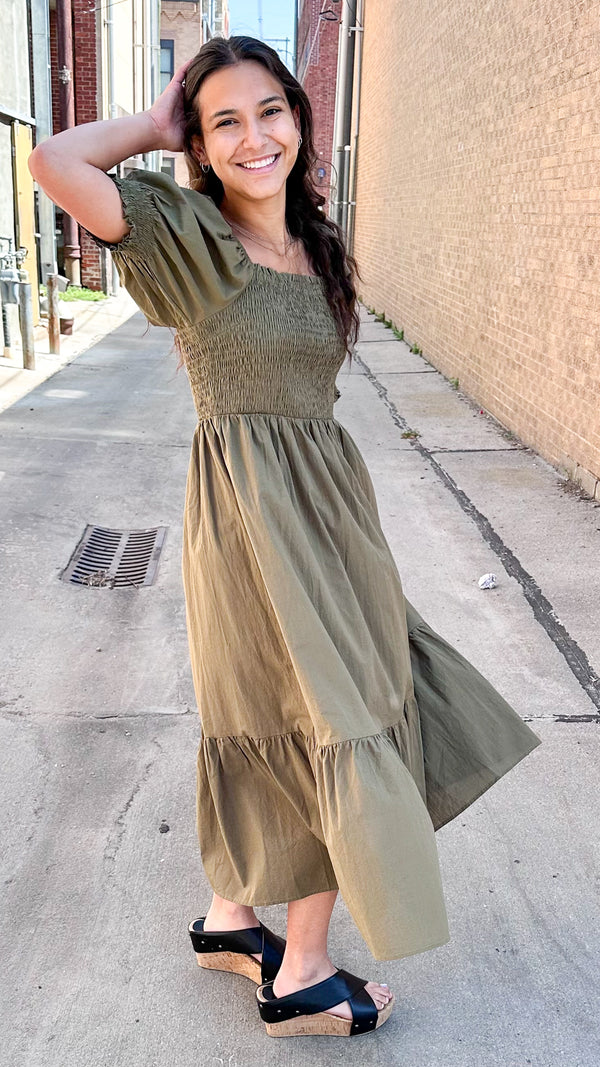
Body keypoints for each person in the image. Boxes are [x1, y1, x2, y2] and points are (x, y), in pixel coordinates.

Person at [29, 35, 541, 1039]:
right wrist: (158, 122)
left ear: (300, 120)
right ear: (198, 143)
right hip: (253, 523)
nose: (254, 136)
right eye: (224, 121)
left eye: (270, 110)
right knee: (330, 716)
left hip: (333, 515)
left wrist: (347, 529)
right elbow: (55, 161)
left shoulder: (318, 244)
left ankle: (231, 918)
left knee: (286, 704)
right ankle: (301, 972)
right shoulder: (189, 239)